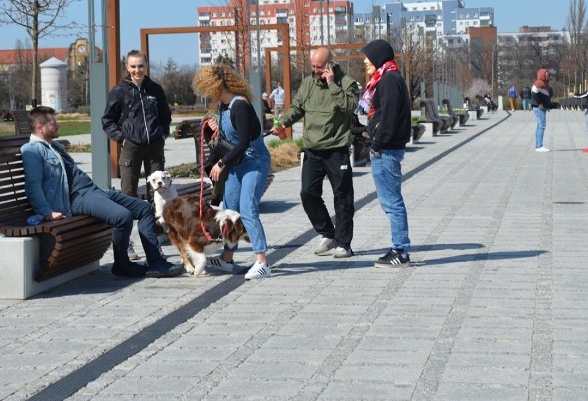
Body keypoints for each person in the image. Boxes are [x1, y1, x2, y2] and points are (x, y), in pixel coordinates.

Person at [21, 106, 183, 279]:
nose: (58, 126)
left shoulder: (53, 146)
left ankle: (156, 262)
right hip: (78, 197)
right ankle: (122, 265)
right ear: (40, 128)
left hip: (93, 191)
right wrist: (46, 212)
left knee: (144, 208)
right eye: (54, 123)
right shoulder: (32, 150)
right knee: (122, 216)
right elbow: (33, 185)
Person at [270, 47, 359, 258]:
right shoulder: (309, 83)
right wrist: (282, 122)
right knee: (307, 193)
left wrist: (332, 84)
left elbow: (349, 107)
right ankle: (328, 233)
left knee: (343, 197)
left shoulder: (347, 83)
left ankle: (344, 243)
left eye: (319, 67)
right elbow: (297, 108)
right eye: (313, 66)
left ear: (330, 64)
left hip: (336, 149)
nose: (316, 70)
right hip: (312, 150)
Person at [193, 64, 273, 280]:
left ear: (217, 85)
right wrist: (214, 132)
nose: (207, 94)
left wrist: (221, 163)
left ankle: (262, 262)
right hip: (237, 164)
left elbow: (245, 140)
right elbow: (228, 140)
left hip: (254, 163)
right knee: (229, 211)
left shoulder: (240, 106)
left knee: (247, 209)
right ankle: (227, 259)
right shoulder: (223, 107)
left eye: (208, 89)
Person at [359, 39, 412, 268]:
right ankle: (398, 247)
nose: (364, 61)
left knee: (392, 202)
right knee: (390, 201)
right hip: (386, 147)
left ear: (378, 57)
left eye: (368, 57)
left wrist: (377, 145)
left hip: (386, 150)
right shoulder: (388, 77)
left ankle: (401, 251)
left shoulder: (389, 80)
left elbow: (388, 118)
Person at [102, 50, 172, 197]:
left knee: (158, 193)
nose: (137, 70)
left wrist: (163, 135)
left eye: (140, 66)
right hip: (131, 146)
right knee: (128, 192)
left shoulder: (155, 89)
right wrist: (122, 138)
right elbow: (107, 120)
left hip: (154, 146)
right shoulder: (119, 91)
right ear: (127, 67)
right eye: (133, 66)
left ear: (146, 66)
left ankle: (155, 219)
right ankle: (130, 219)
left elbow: (165, 116)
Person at [531, 68, 552, 152]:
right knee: (542, 125)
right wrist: (539, 103)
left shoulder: (543, 83)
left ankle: (538, 145)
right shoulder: (539, 83)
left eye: (548, 75)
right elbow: (533, 92)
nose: (548, 77)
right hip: (539, 107)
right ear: (542, 75)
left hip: (541, 107)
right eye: (547, 75)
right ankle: (539, 146)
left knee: (539, 125)